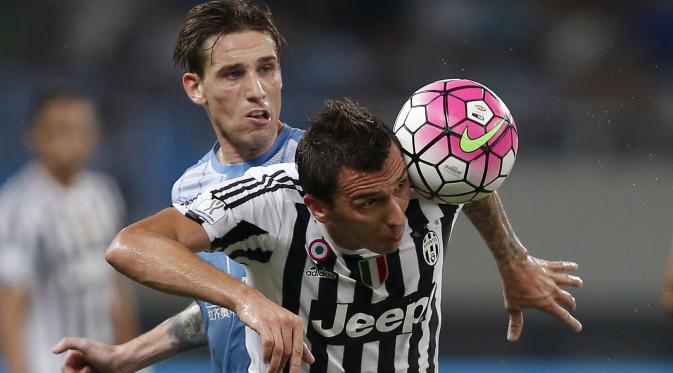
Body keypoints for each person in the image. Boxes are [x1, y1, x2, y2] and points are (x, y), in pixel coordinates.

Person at [102, 98, 583, 373]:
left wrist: (511, 257)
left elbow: (469, 172)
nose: (397, 215)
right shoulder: (269, 203)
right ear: (318, 206)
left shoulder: (421, 176)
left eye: (401, 190)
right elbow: (131, 245)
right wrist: (246, 301)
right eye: (370, 203)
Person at [52, 1, 302, 372]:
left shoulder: (319, 169)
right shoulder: (190, 189)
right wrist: (127, 356)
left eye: (267, 68)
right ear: (195, 88)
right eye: (233, 74)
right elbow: (221, 308)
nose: (257, 90)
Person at [0, 88, 142, 373]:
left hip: (100, 362)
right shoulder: (19, 205)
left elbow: (116, 288)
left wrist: (134, 358)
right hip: (48, 364)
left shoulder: (103, 194)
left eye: (80, 129)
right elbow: (10, 302)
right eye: (60, 130)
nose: (71, 140)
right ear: (35, 136)